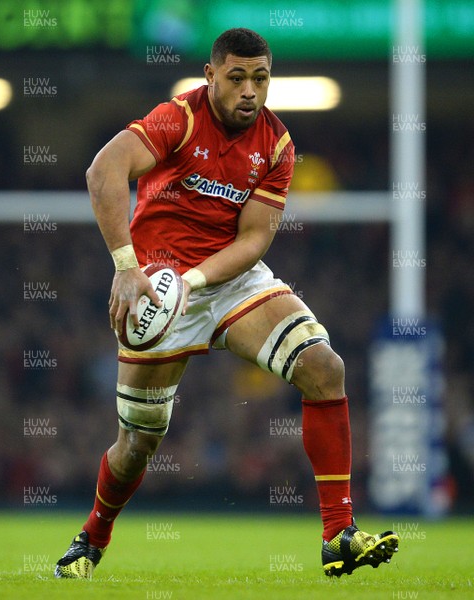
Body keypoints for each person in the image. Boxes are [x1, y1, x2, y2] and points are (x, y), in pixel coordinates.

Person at [55, 28, 399, 580]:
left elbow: (254, 239)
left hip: (227, 279)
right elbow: (103, 171)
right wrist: (126, 268)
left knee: (323, 366)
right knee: (137, 444)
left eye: (260, 79)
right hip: (155, 285)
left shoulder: (278, 145)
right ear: (210, 76)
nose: (249, 91)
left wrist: (196, 281)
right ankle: (91, 538)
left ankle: (338, 534)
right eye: (236, 77)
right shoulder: (180, 118)